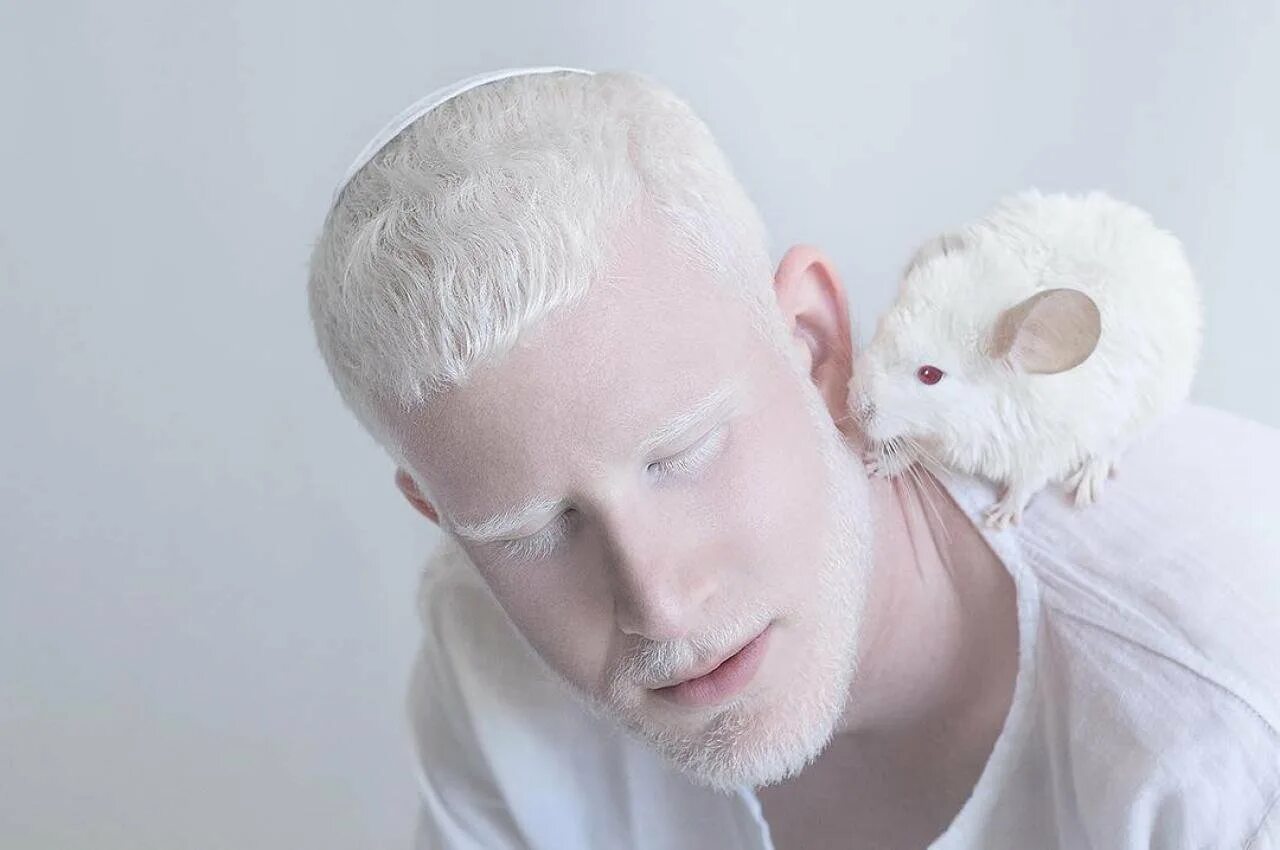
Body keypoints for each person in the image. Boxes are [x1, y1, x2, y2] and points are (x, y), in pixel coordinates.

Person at [306, 67, 1280, 849]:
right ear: (442, 517)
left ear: (812, 345)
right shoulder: (487, 661)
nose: (660, 606)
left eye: (680, 452)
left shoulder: (1231, 723)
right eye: (534, 529)